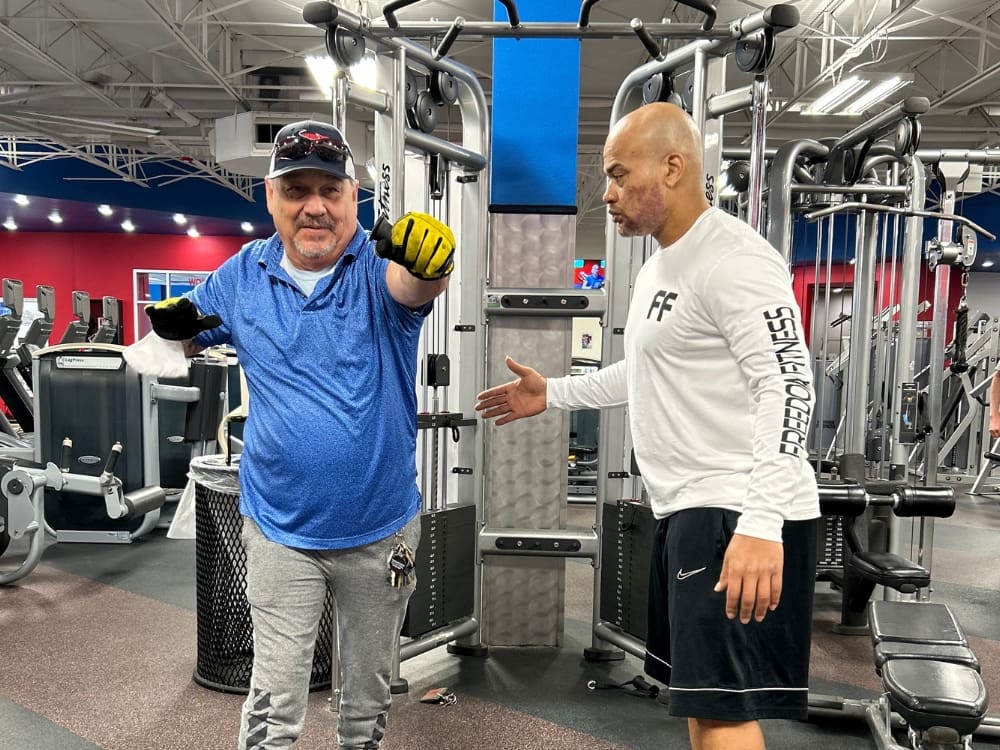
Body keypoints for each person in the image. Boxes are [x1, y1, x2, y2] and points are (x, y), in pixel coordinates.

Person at [475, 102, 820, 750]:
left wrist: (761, 523)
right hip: (692, 510)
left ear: (671, 167)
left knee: (722, 712)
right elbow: (644, 371)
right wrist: (553, 393)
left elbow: (790, 385)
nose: (604, 193)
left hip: (735, 511)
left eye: (617, 174)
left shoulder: (736, 259)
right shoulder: (661, 266)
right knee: (700, 701)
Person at [139, 120, 456, 749]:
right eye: (297, 190)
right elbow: (185, 332)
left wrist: (432, 265)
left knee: (366, 700)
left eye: (330, 190)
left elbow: (414, 285)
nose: (315, 206)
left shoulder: (376, 265)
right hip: (281, 527)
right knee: (275, 699)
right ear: (270, 196)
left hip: (380, 527)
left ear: (353, 195)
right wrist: (169, 333)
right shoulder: (243, 275)